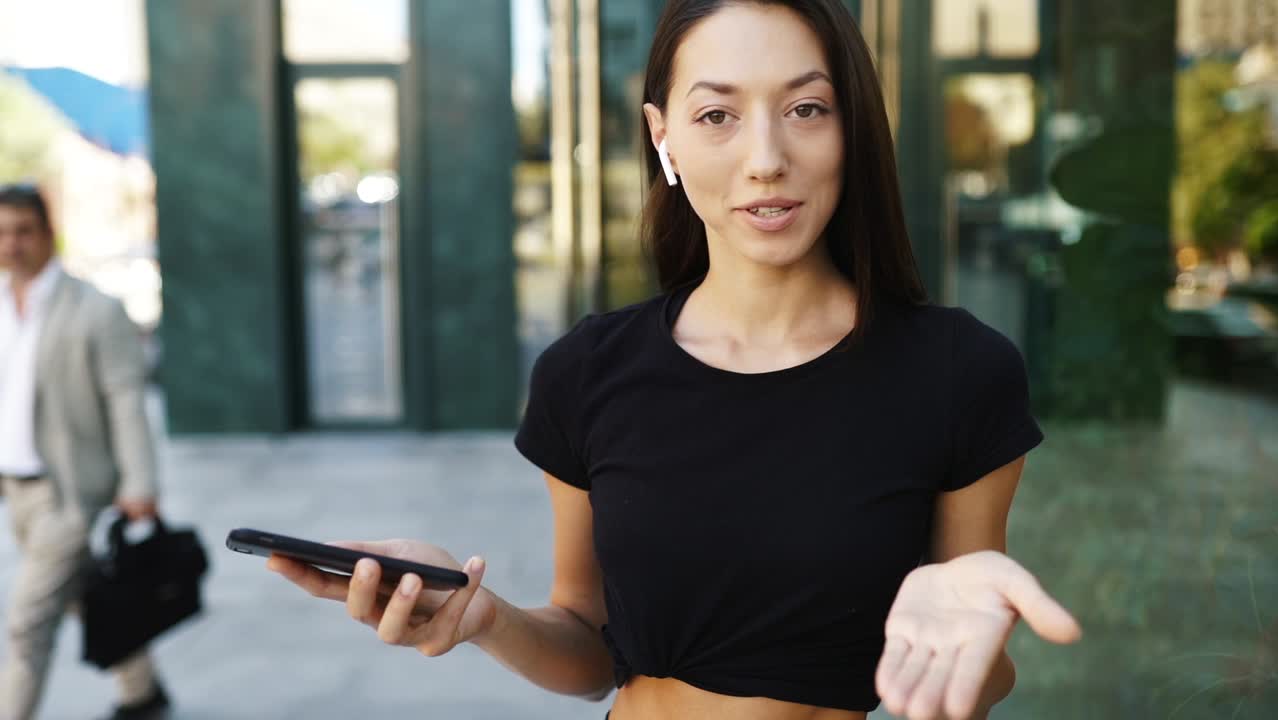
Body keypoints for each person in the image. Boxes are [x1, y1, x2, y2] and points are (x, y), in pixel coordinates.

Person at [268, 1, 1082, 718]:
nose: (765, 157)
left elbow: (977, 684)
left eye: (806, 108)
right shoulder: (586, 372)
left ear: (853, 128)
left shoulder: (956, 372)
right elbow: (591, 652)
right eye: (717, 116)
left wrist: (969, 656)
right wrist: (486, 618)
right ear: (665, 138)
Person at [0, 184, 170, 720]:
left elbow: (125, 400)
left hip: (69, 490)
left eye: (23, 231)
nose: (11, 244)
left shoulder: (94, 309)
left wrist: (139, 484)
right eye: (1, 232)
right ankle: (141, 689)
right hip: (15, 488)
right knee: (82, 593)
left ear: (48, 234)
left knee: (28, 619)